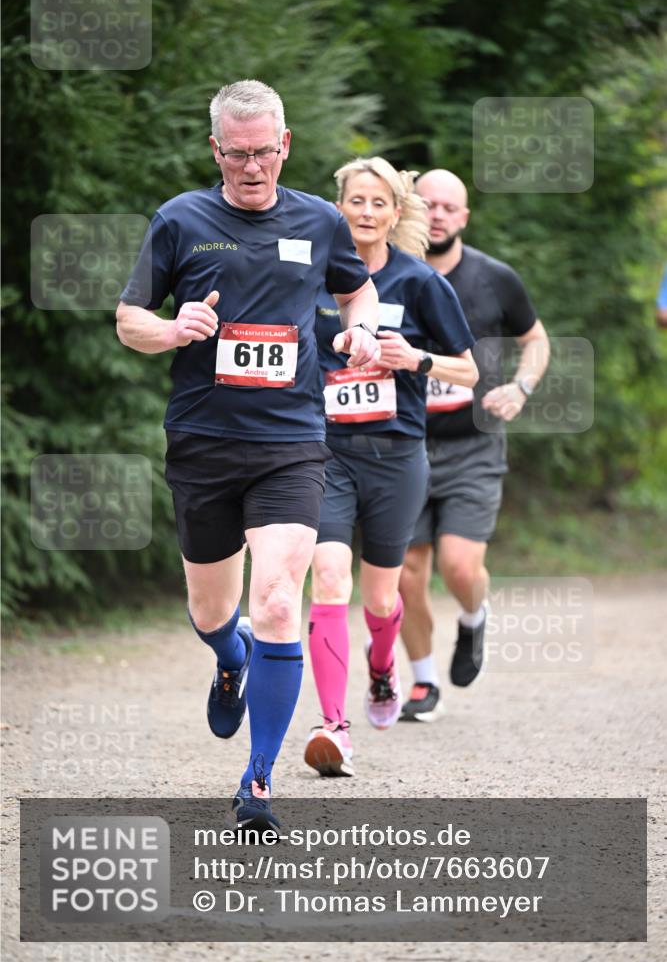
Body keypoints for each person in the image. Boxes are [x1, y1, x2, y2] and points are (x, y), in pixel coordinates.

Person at [116, 80, 380, 829]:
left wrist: (358, 330)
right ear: (216, 151)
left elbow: (356, 292)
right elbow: (128, 318)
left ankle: (258, 781)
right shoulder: (181, 220)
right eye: (237, 154)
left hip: (291, 442)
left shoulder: (320, 221)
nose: (252, 167)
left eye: (265, 152)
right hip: (202, 440)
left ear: (285, 145)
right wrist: (171, 330)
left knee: (275, 602)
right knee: (212, 611)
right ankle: (228, 659)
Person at [304, 158, 477, 777]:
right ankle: (333, 726)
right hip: (325, 454)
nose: (367, 212)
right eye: (356, 201)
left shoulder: (421, 282)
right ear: (339, 207)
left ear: (395, 212)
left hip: (398, 457)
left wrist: (416, 359)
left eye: (379, 202)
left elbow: (469, 370)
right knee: (328, 577)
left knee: (381, 598)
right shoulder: (313, 277)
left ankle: (383, 671)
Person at [399, 169, 550, 722]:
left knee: (460, 567)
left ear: (463, 218)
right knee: (406, 575)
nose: (436, 214)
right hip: (403, 445)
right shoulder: (387, 275)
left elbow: (535, 341)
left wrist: (521, 385)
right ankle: (421, 681)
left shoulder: (494, 278)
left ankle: (472, 616)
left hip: (473, 447)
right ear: (410, 208)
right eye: (426, 204)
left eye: (448, 207)